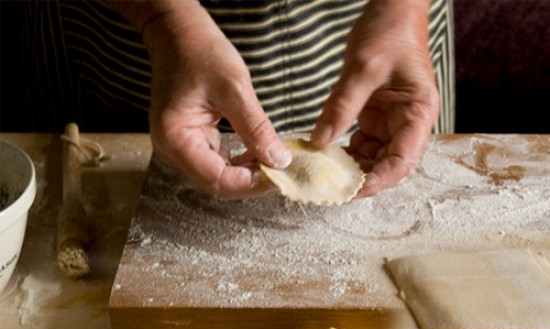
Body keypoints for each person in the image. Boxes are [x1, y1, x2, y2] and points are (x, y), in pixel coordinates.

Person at [17, 0, 454, 200]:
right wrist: (163, 19)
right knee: (110, 201)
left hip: (372, 23)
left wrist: (406, 12)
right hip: (120, 39)